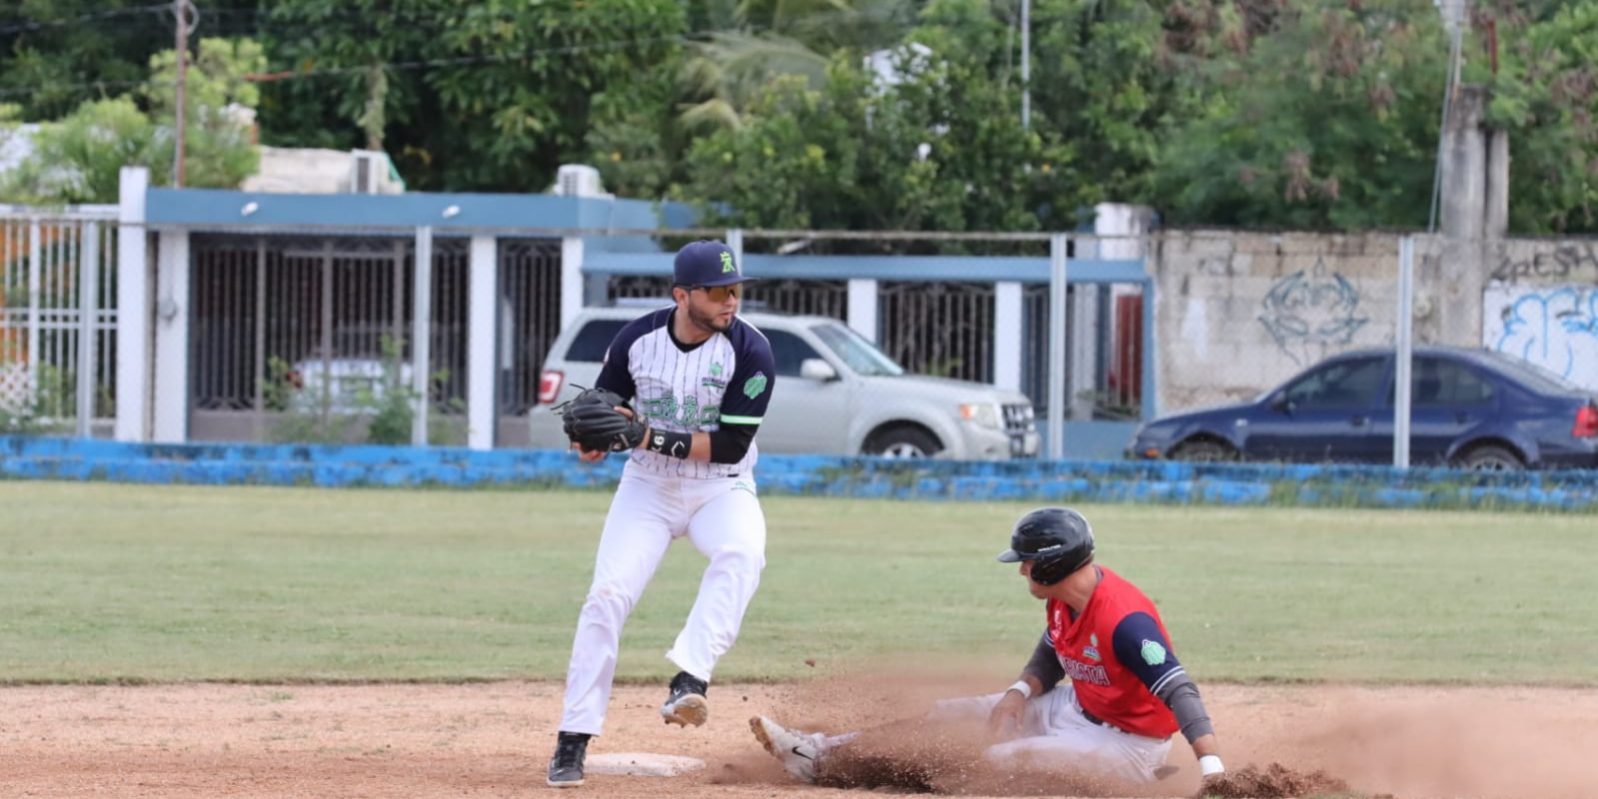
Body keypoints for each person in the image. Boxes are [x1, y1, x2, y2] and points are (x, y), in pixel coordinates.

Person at [750, 506, 1227, 791]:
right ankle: (817, 754)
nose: (1021, 572)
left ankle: (1134, 782)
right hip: (1077, 707)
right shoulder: (1065, 602)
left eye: (1025, 563)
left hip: (1127, 743)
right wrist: (1019, 692)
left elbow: (1179, 689)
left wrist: (1212, 768)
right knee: (952, 714)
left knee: (996, 766)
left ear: (1051, 563)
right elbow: (1052, 652)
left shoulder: (1125, 620)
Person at [547, 240, 777, 789]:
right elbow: (607, 408)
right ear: (682, 295)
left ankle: (690, 677)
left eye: (735, 289)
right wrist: (592, 440)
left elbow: (727, 446)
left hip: (720, 487)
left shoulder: (752, 352)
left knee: (742, 552)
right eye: (718, 291)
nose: (731, 301)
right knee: (606, 597)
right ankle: (573, 738)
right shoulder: (637, 339)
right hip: (647, 489)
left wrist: (645, 433)